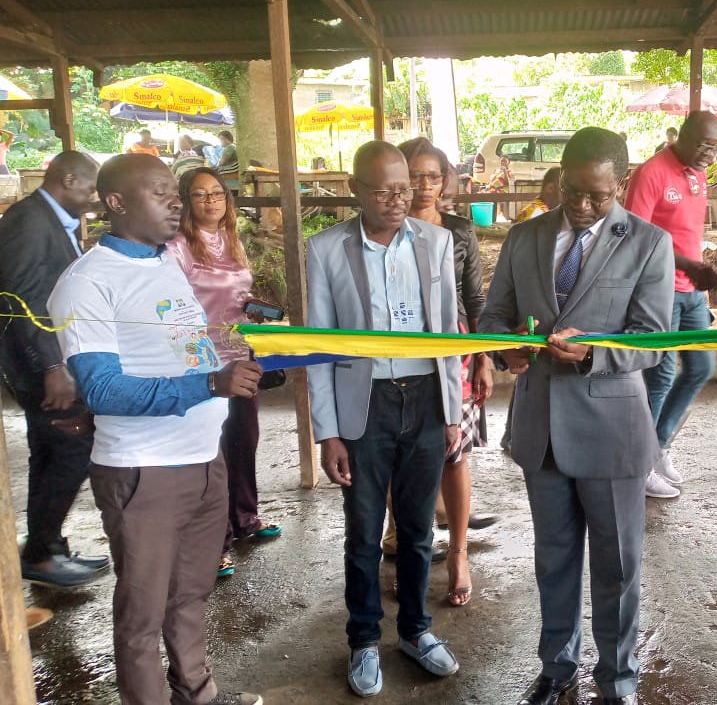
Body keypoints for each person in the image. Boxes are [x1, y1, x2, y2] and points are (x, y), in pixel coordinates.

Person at [47, 153, 263, 705]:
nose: (176, 201)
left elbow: (183, 349)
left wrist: (235, 352)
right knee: (142, 615)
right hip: (144, 471)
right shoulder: (87, 283)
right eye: (161, 192)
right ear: (116, 203)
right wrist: (208, 387)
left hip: (203, 459)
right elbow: (101, 389)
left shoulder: (165, 260)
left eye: (176, 191)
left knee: (190, 596)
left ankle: (197, 692)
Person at [480, 127, 674, 705]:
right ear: (560, 176)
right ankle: (557, 665)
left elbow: (654, 340)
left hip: (612, 430)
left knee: (616, 567)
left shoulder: (647, 243)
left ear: (620, 184)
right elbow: (493, 317)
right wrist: (504, 348)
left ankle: (617, 678)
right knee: (554, 559)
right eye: (574, 191)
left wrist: (594, 353)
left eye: (598, 195)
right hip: (540, 429)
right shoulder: (525, 236)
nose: (584, 205)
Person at [307, 140, 462, 698]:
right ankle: (364, 639)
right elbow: (320, 345)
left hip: (423, 398)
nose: (398, 200)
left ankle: (416, 631)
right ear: (355, 190)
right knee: (364, 531)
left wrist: (451, 410)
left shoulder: (436, 241)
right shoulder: (325, 249)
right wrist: (328, 431)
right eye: (383, 190)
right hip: (364, 405)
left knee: (420, 529)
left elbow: (446, 332)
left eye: (405, 188)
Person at [0, 150, 111, 588]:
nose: (92, 198)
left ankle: (47, 547)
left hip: (45, 362)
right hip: (40, 365)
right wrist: (51, 365)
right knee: (70, 447)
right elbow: (20, 299)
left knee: (50, 451)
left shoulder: (44, 219)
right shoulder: (29, 222)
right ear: (68, 179)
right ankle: (43, 554)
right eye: (89, 188)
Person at [395, 136, 497, 608]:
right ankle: (407, 545)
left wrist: (482, 356)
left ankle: (458, 553)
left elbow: (475, 300)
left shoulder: (459, 231)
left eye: (432, 176)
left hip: (455, 352)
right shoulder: (385, 229)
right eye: (414, 176)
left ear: (445, 180)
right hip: (399, 354)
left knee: (455, 455)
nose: (423, 186)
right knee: (401, 455)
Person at [168, 167, 282, 579]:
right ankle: (213, 544)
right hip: (202, 361)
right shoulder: (177, 247)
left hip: (240, 353)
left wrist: (251, 305)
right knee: (210, 454)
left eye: (217, 193)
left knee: (243, 440)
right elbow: (175, 305)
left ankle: (244, 521)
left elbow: (232, 293)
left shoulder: (231, 238)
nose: (211, 201)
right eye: (200, 195)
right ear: (185, 201)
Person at [623, 111, 717, 499]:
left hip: (693, 293)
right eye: (703, 145)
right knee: (660, 376)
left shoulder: (698, 175)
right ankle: (639, 463)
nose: (709, 155)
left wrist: (700, 277)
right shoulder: (650, 173)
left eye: (715, 148)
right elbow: (635, 239)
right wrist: (688, 265)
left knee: (702, 366)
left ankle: (658, 447)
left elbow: (687, 233)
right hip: (658, 291)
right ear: (680, 135)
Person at [483, 154, 514, 223]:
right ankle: (487, 218)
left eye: (505, 161)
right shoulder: (495, 170)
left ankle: (492, 219)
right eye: (501, 161)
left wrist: (505, 172)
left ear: (508, 163)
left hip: (502, 190)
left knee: (491, 194)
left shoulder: (509, 172)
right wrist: (487, 186)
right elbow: (490, 180)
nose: (502, 163)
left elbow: (509, 184)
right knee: (480, 194)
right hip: (491, 189)